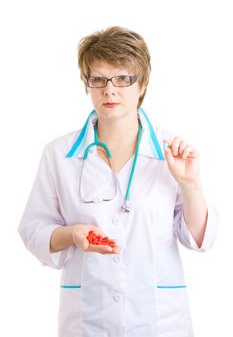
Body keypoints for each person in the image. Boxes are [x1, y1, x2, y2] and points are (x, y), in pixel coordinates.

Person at [18, 26, 218, 337]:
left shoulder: (172, 151)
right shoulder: (59, 154)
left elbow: (198, 239)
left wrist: (190, 185)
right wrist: (72, 234)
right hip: (88, 320)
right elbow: (33, 228)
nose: (110, 90)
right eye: (98, 79)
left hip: (160, 321)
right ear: (87, 85)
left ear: (143, 84)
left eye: (123, 78)